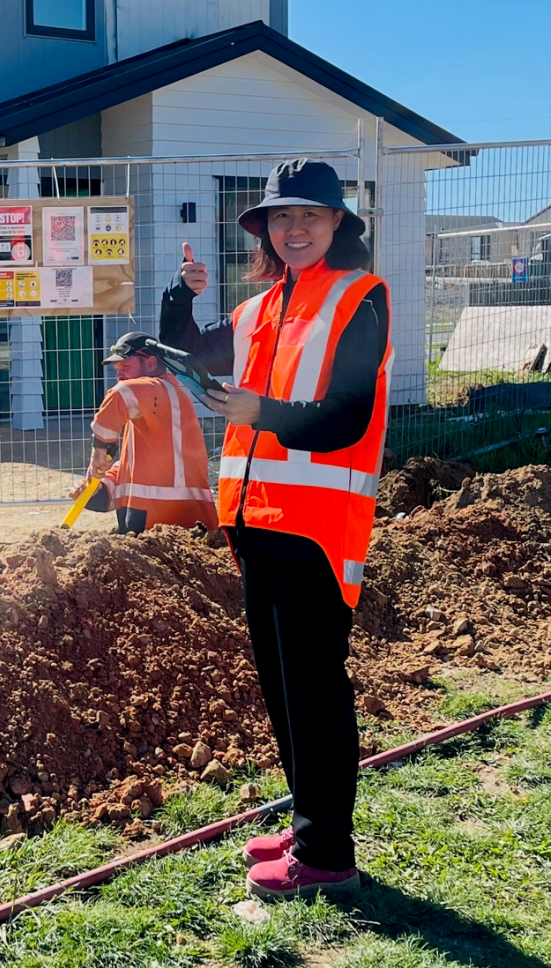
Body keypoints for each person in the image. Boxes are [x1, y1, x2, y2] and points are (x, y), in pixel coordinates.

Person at [159, 159, 392, 902]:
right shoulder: (261, 308)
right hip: (254, 521)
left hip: (316, 529)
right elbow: (194, 359)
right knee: (283, 686)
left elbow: (346, 417)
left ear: (336, 226)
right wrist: (178, 301)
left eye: (311, 218)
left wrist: (261, 413)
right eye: (280, 219)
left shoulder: (361, 297)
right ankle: (309, 819)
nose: (295, 230)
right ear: (264, 230)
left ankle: (327, 854)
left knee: (315, 689)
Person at [72, 331, 218, 535]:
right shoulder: (146, 408)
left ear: (150, 364)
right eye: (117, 370)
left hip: (173, 522)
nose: (119, 376)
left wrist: (98, 451)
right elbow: (134, 468)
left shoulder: (162, 391)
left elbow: (120, 393)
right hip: (153, 516)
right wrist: (98, 490)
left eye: (126, 367)